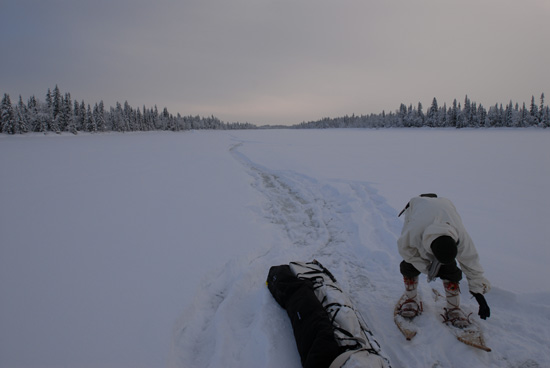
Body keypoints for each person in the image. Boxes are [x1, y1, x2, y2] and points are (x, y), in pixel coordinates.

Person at [396, 194, 491, 328]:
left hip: (445, 208)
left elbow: (471, 265)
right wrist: (427, 269)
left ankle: (454, 308)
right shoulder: (414, 232)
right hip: (417, 207)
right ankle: (411, 298)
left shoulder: (461, 237)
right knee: (409, 265)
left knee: (450, 270)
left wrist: (479, 296)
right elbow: (407, 252)